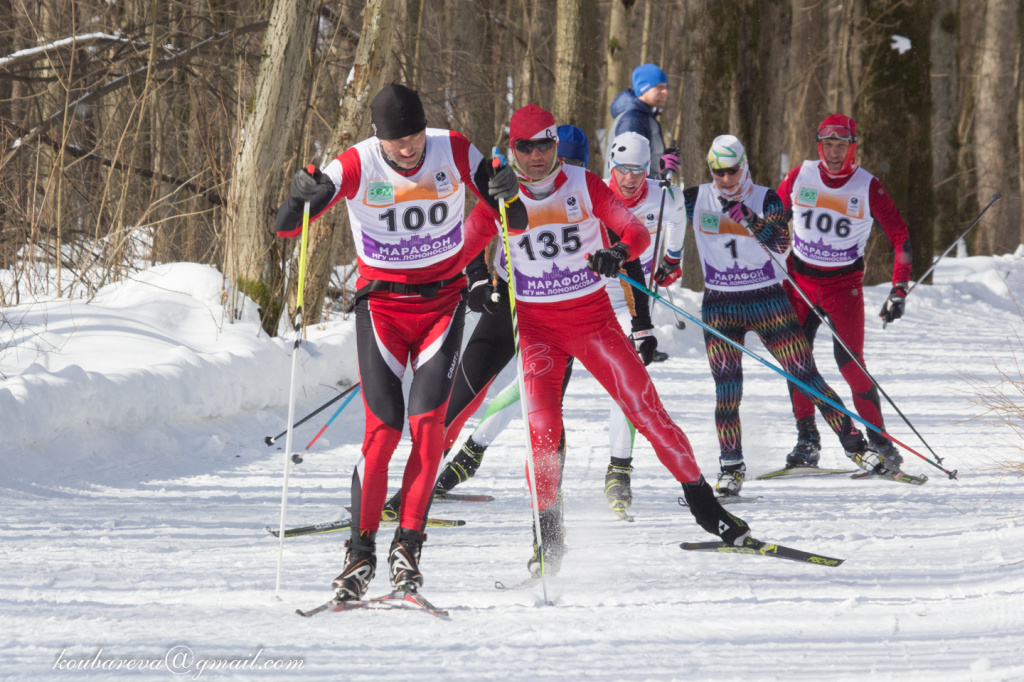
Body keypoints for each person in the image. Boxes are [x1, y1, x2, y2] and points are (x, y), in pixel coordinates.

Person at [469, 103, 751, 576]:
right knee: (542, 433)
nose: (536, 156)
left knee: (649, 414)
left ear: (556, 145)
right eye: (525, 147)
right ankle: (548, 537)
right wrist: (477, 278)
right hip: (537, 329)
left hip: (593, 322)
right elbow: (465, 242)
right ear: (512, 148)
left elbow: (636, 230)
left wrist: (617, 251)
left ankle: (708, 510)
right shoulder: (499, 193)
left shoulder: (584, 185)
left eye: (544, 145)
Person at [273, 83, 525, 602]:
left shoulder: (453, 149)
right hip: (382, 308)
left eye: (414, 137)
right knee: (383, 432)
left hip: (442, 305)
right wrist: (299, 193)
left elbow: (514, 220)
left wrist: (507, 188)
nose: (408, 149)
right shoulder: (357, 163)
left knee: (429, 427)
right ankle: (359, 554)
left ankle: (407, 547)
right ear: (377, 138)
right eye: (396, 142)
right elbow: (284, 229)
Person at [381, 125, 593, 515]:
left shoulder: (584, 196)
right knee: (457, 401)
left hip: (556, 317)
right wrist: (478, 280)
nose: (554, 173)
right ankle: (408, 495)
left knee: (548, 417)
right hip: (506, 306)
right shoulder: (508, 187)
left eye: (573, 166)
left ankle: (550, 515)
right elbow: (471, 235)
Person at [654, 135, 871, 493]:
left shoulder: (765, 197)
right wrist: (664, 179)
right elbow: (658, 208)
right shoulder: (697, 198)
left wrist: (750, 218)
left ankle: (856, 446)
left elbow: (781, 243)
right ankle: (731, 466)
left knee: (806, 376)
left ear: (745, 166)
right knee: (727, 392)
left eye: (732, 171)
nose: (726, 180)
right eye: (718, 172)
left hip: (768, 300)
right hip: (721, 304)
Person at [775, 114, 912, 473]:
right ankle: (807, 441)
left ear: (853, 147)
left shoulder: (868, 186)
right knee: (795, 362)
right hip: (800, 283)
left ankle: (881, 443)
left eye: (841, 145)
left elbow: (900, 236)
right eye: (827, 145)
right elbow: (770, 219)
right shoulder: (799, 176)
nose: (834, 154)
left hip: (843, 287)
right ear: (819, 146)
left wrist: (899, 287)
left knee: (850, 366)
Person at [599, 131, 685, 514]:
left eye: (638, 170)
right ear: (610, 167)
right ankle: (469, 451)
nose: (630, 179)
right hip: (585, 301)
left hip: (631, 303)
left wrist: (672, 258)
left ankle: (618, 471)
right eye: (622, 169)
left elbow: (678, 219)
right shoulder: (595, 193)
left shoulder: (665, 195)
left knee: (627, 380)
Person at [604, 63, 679, 181]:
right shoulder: (632, 120)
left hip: (642, 195)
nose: (665, 91)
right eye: (659, 87)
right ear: (644, 88)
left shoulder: (644, 117)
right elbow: (629, 173)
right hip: (632, 197)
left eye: (666, 87)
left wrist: (662, 167)